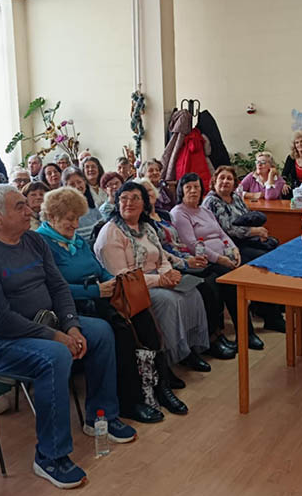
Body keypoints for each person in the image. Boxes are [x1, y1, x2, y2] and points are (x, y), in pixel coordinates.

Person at [0, 184, 135, 490]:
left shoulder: (33, 241)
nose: (29, 210)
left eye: (26, 204)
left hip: (44, 323)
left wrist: (72, 326)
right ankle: (50, 456)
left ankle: (100, 417)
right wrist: (55, 336)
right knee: (55, 356)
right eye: (19, 206)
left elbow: (58, 287)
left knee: (101, 332)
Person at [36, 187, 185, 420]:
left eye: (77, 218)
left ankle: (159, 384)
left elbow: (99, 269)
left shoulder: (75, 240)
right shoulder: (42, 243)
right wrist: (96, 290)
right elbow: (52, 289)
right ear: (52, 216)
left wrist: (114, 282)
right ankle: (129, 400)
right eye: (70, 219)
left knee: (143, 315)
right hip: (72, 306)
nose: (76, 225)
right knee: (121, 330)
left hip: (99, 296)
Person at [94, 182, 211, 373]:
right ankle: (166, 361)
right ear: (117, 202)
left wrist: (168, 273)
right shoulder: (111, 232)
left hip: (156, 277)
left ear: (144, 204)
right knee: (169, 301)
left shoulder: (146, 226)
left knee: (192, 294)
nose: (129, 203)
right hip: (131, 288)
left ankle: (188, 350)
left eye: (135, 198)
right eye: (124, 198)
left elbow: (161, 256)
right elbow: (122, 276)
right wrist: (160, 281)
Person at [135, 177, 239, 360]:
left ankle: (218, 334)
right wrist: (185, 262)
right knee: (207, 286)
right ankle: (209, 339)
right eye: (143, 192)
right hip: (172, 265)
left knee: (217, 279)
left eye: (150, 189)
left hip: (185, 258)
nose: (148, 194)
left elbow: (179, 242)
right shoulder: (144, 223)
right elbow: (163, 250)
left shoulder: (164, 215)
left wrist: (191, 258)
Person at [171, 173, 268, 350]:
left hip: (224, 256)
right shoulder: (179, 213)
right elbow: (192, 245)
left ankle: (250, 330)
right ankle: (243, 333)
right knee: (231, 282)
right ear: (181, 191)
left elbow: (222, 234)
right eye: (188, 187)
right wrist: (220, 259)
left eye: (196, 187)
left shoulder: (205, 210)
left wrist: (234, 250)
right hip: (203, 261)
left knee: (246, 271)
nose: (193, 191)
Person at [61, 167, 102, 242]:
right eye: (72, 184)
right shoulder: (63, 210)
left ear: (84, 182)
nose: (77, 186)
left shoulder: (92, 205)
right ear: (65, 187)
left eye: (79, 182)